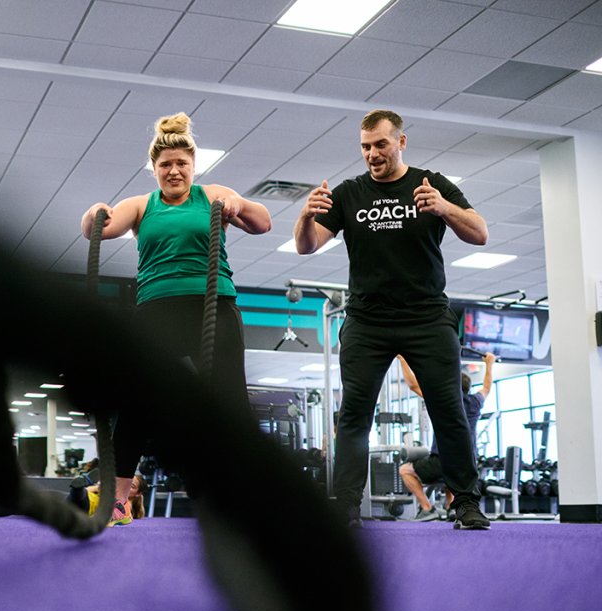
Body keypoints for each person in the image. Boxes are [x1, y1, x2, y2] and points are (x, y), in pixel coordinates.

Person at [294, 109, 492, 531]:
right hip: (367, 320)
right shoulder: (349, 193)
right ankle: (346, 503)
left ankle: (467, 502)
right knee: (353, 414)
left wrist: (443, 208)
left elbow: (479, 232)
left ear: (401, 142)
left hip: (427, 317)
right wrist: (305, 217)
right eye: (365, 147)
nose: (372, 154)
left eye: (380, 144)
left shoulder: (431, 184)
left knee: (449, 410)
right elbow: (306, 248)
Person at [79, 112, 272, 525]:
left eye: (181, 162)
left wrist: (238, 205)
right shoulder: (141, 205)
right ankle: (118, 500)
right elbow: (98, 228)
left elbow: (263, 223)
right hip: (157, 313)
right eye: (165, 164)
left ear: (193, 165)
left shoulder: (212, 195)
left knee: (230, 404)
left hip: (213, 307)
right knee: (136, 405)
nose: (174, 170)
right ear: (154, 170)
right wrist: (93, 212)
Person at [397, 352, 495, 521]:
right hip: (468, 463)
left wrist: (402, 359)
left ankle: (427, 508)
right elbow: (486, 387)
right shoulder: (475, 402)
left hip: (442, 461)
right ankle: (451, 507)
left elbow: (413, 385)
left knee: (405, 470)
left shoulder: (443, 399)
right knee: (453, 472)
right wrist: (489, 364)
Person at [0, 474, 148, 525]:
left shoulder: (126, 505)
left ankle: (77, 490)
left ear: (138, 494)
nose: (125, 487)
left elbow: (121, 515)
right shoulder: (114, 494)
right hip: (75, 498)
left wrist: (99, 489)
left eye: (132, 486)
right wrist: (97, 487)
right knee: (24, 504)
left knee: (79, 498)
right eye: (127, 482)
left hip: (85, 508)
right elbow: (96, 489)